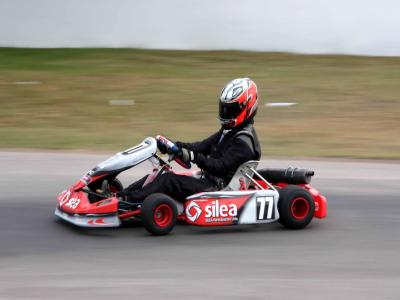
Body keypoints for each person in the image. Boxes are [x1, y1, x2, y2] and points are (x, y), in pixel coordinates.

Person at [118, 78, 261, 204]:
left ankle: (127, 202)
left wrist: (193, 157)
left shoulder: (244, 142)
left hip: (218, 188)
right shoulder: (230, 131)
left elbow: (220, 166)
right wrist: (175, 146)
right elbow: (202, 145)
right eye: (224, 108)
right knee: (159, 174)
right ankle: (120, 196)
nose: (226, 113)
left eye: (230, 109)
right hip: (207, 179)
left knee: (168, 180)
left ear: (247, 108)